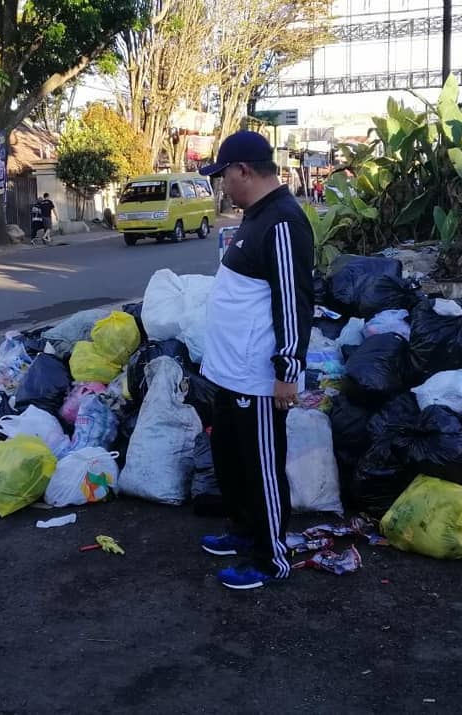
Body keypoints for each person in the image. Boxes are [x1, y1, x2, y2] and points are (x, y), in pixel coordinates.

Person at [197, 131, 314, 590]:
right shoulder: (255, 216)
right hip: (230, 373)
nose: (222, 184)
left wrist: (288, 368)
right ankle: (244, 532)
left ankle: (271, 559)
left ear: (244, 169)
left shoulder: (282, 222)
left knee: (262, 466)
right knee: (233, 460)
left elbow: (293, 300)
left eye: (224, 175)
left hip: (258, 376)